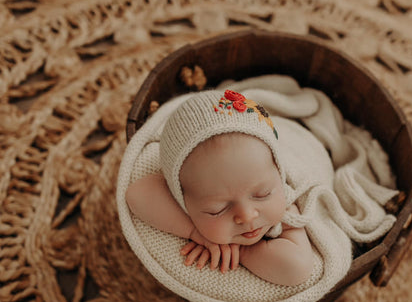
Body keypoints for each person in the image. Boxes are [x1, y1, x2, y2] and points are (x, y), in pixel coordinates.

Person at [125, 89, 315, 287]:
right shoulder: (191, 187)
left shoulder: (288, 207)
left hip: (301, 139)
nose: (247, 216)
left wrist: (241, 251)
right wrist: (195, 233)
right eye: (217, 210)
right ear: (181, 199)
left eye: (262, 194)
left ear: (279, 173)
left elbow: (297, 269)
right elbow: (137, 194)